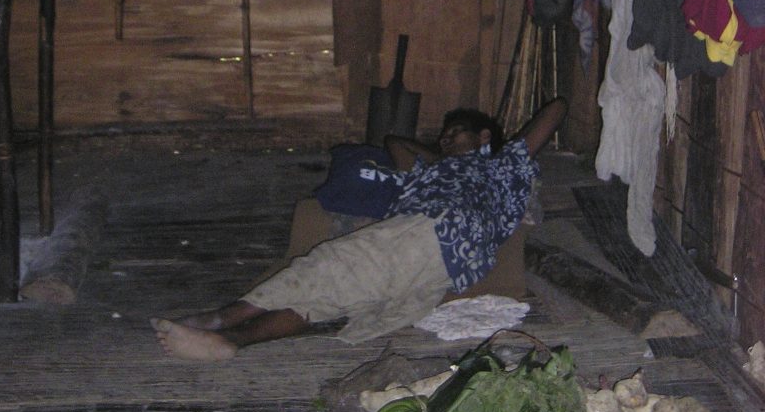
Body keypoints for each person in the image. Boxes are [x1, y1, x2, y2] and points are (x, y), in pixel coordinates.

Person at [151, 96, 567, 361]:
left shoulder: (501, 165)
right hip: (440, 265)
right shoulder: (429, 173)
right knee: (321, 302)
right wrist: (441, 156)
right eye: (443, 135)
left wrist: (487, 149)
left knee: (327, 263)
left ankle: (222, 319)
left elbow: (558, 107)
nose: (445, 139)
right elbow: (394, 143)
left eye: (456, 133)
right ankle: (230, 341)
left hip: (437, 229)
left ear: (484, 136)